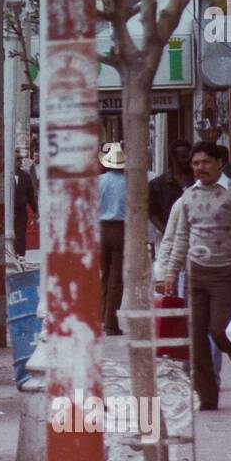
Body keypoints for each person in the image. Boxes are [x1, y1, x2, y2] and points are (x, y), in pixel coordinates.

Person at [158, 141, 231, 410]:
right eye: (195, 164)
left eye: (205, 162)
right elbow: (181, 236)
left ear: (218, 163)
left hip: (227, 270)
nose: (200, 168)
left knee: (220, 331)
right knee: (195, 336)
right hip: (195, 273)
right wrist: (171, 273)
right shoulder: (188, 196)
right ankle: (207, 396)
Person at [98, 142, 127, 336]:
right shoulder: (130, 182)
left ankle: (100, 318)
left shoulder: (97, 181)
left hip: (100, 229)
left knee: (104, 275)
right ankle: (111, 323)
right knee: (116, 278)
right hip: (121, 230)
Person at [148, 139, 193, 240]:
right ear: (174, 158)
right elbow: (152, 213)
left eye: (188, 157)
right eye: (183, 157)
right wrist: (165, 231)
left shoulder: (197, 180)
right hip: (169, 237)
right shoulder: (157, 184)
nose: (187, 160)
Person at [13, 153, 32, 257]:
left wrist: (35, 210)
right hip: (7, 212)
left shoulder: (25, 176)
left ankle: (21, 256)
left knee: (20, 236)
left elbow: (31, 194)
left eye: (20, 159)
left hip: (21, 212)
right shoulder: (4, 175)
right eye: (17, 159)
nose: (19, 161)